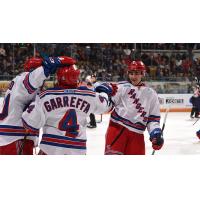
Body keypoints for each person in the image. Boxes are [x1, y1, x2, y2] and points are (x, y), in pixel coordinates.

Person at [21, 59, 116, 155]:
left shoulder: (45, 96)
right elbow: (107, 107)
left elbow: (29, 123)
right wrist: (104, 92)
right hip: (77, 149)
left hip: (50, 148)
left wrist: (29, 104)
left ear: (59, 77)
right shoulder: (88, 95)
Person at [0, 55, 71, 155]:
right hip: (15, 139)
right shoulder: (26, 78)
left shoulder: (18, 81)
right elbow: (35, 77)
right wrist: (50, 65)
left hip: (10, 138)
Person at [103, 60, 164, 155]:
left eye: (136, 73)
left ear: (142, 74)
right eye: (131, 73)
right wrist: (102, 95)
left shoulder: (151, 94)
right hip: (117, 130)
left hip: (137, 135)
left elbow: (153, 119)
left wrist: (155, 133)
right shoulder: (120, 87)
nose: (133, 76)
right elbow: (107, 107)